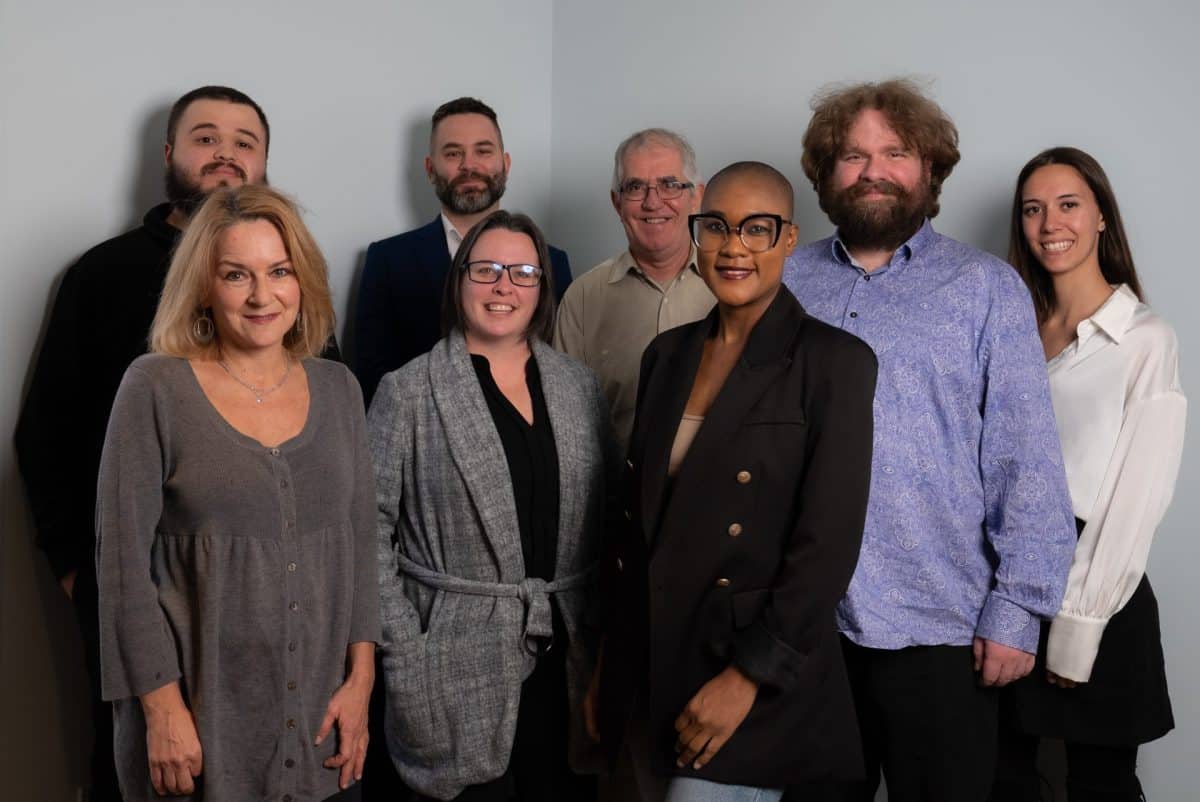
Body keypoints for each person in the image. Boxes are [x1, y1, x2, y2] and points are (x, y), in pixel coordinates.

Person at [13, 84, 335, 802]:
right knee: (147, 769)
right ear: (170, 156)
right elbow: (46, 435)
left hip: (269, 608)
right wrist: (80, 570)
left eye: (244, 141)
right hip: (134, 593)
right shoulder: (100, 276)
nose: (225, 152)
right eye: (206, 137)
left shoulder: (290, 298)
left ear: (265, 164)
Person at [781, 79, 1077, 801]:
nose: (873, 169)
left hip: (941, 626)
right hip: (806, 628)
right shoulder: (785, 281)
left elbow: (1025, 457)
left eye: (895, 152)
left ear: (929, 170)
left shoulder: (986, 289)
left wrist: (1018, 608)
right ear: (825, 172)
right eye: (852, 155)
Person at [597, 162, 877, 802]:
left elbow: (826, 549)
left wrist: (747, 678)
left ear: (788, 239)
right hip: (652, 658)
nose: (733, 247)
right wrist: (610, 666)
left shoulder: (834, 362)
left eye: (757, 229)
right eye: (717, 226)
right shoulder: (667, 354)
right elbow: (636, 529)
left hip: (745, 672)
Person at [95, 185, 379, 801]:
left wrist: (362, 683)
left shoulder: (340, 390)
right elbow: (121, 570)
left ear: (301, 281)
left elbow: (360, 549)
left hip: (321, 738)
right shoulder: (156, 387)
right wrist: (162, 711)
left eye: (279, 271)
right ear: (203, 285)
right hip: (196, 735)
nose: (261, 295)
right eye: (235, 274)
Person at [370, 210, 609, 801]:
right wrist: (406, 656)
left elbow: (605, 523)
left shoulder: (579, 386)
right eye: (487, 269)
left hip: (569, 663)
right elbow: (367, 534)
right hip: (452, 663)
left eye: (524, 272)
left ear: (542, 288)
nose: (504, 285)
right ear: (459, 280)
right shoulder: (408, 389)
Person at [989, 147, 1185, 802]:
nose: (1050, 224)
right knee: (1002, 780)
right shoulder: (1011, 330)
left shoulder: (1143, 339)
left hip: (1097, 589)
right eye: (1033, 209)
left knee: (1100, 787)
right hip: (1007, 586)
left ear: (1102, 216)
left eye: (1068, 204)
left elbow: (1137, 497)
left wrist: (1077, 626)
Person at [355, 97, 573, 407]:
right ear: (430, 169)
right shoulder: (387, 261)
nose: (469, 165)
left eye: (483, 151)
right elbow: (370, 383)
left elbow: (560, 373)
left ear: (506, 164)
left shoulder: (552, 263)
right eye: (453, 153)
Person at [554, 128, 714, 449]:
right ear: (617, 202)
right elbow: (564, 420)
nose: (653, 202)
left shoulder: (731, 285)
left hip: (714, 492)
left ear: (696, 196)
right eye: (636, 187)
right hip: (616, 493)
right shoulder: (583, 297)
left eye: (670, 185)